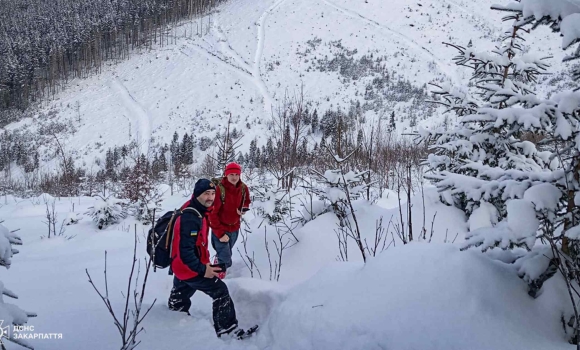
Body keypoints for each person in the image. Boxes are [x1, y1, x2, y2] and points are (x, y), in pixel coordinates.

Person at [167, 178, 241, 337]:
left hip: (180, 266)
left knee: (182, 292)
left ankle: (174, 314)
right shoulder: (191, 217)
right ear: (197, 194)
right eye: (206, 193)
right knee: (220, 291)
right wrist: (203, 269)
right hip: (189, 267)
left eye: (213, 193)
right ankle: (227, 329)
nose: (210, 197)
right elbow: (185, 252)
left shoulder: (197, 209)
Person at [208, 162, 251, 276]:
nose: (234, 177)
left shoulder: (243, 188)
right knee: (225, 257)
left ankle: (220, 261)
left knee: (227, 251)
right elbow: (213, 213)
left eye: (236, 174)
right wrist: (220, 233)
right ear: (226, 175)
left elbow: (246, 201)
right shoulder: (219, 190)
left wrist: (243, 208)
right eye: (231, 174)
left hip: (235, 227)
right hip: (221, 227)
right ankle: (219, 274)